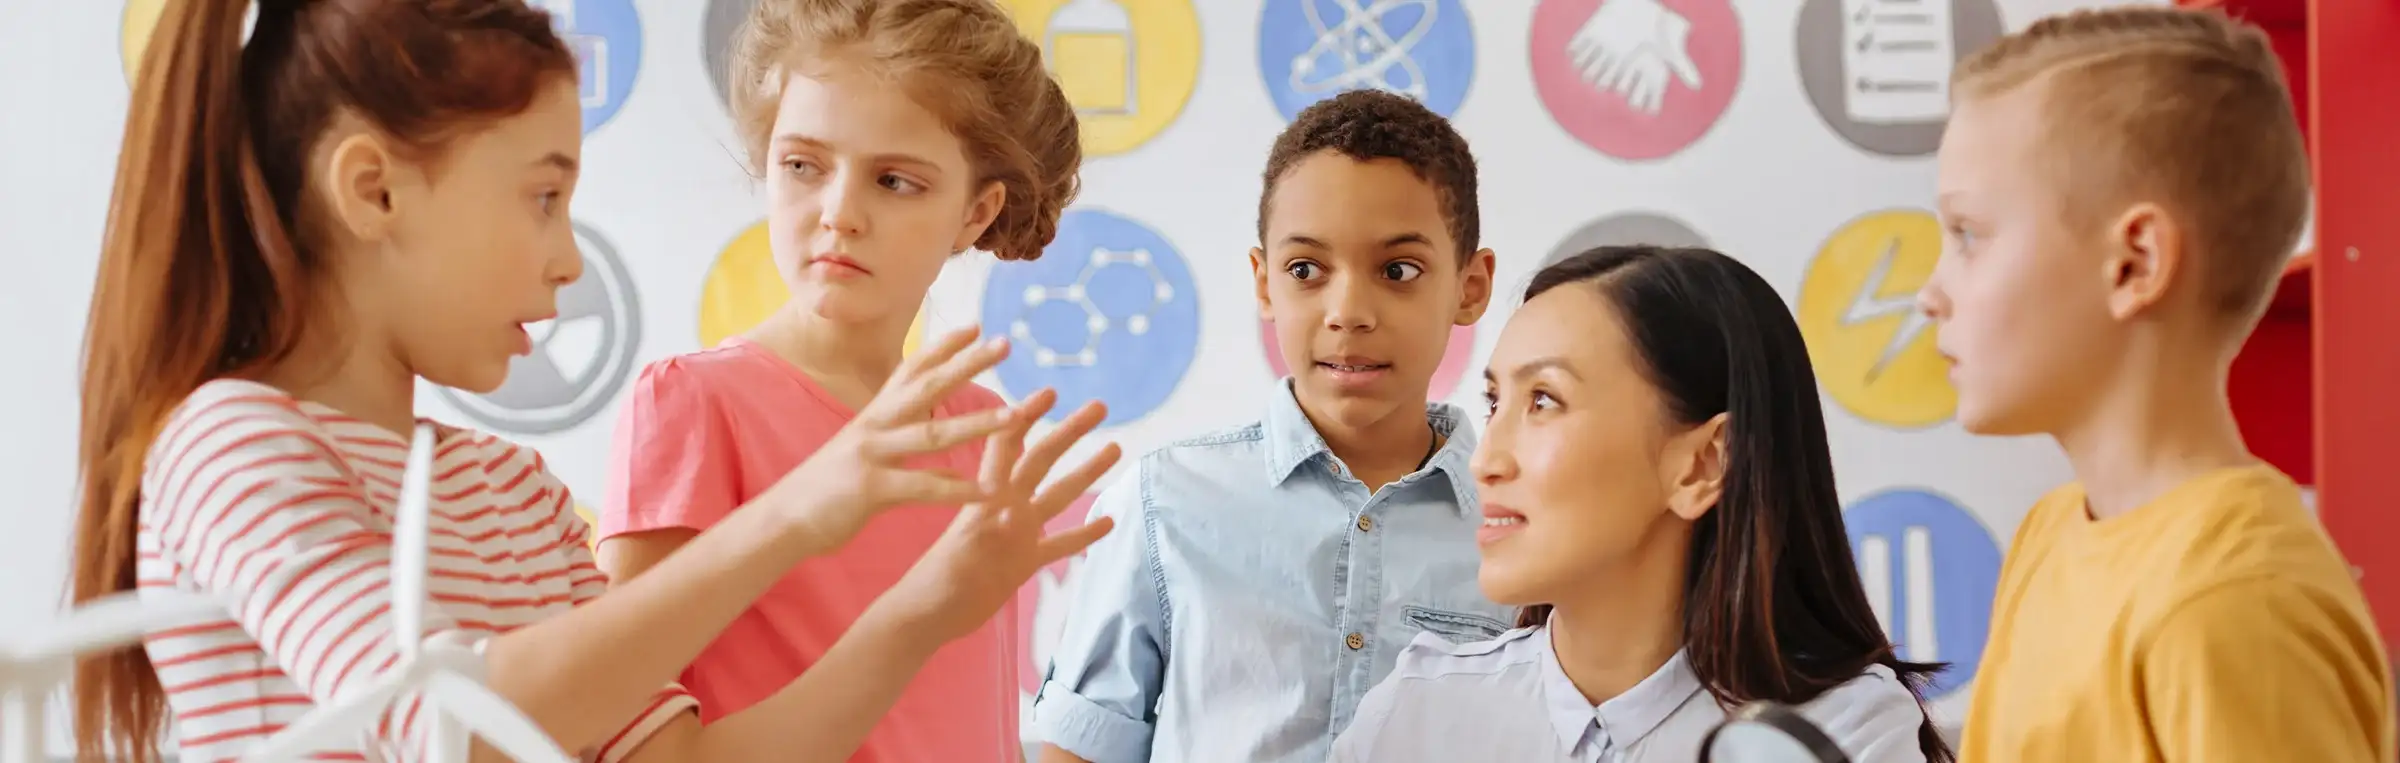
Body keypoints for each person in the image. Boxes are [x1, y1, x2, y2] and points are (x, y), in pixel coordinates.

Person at [69, 2, 1114, 761]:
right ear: (373, 189)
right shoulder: (234, 439)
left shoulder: (509, 489)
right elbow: (439, 726)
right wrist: (798, 516)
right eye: (542, 197)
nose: (571, 261)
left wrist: (923, 609)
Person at [590, 1, 1082, 760]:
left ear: (976, 213)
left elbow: (971, 717)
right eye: (802, 166)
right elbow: (619, 722)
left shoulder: (982, 428)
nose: (839, 213)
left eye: (894, 180)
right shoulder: (695, 406)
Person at [1920, 7, 2393, 761]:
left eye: (1969, 236)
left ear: (2135, 263)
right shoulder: (2051, 531)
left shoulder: (2236, 598)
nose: (1928, 293)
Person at [1329, 246, 1955, 763]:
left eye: (1544, 401)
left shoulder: (1845, 731)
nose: (1485, 459)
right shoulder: (1419, 711)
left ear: (1704, 463)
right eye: (1496, 404)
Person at [1031, 89, 1508, 763]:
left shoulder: (1519, 529)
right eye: (1306, 269)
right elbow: (1076, 749)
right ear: (1263, 282)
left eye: (1398, 270)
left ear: (1470, 285)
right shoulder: (1163, 502)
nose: (1348, 311)